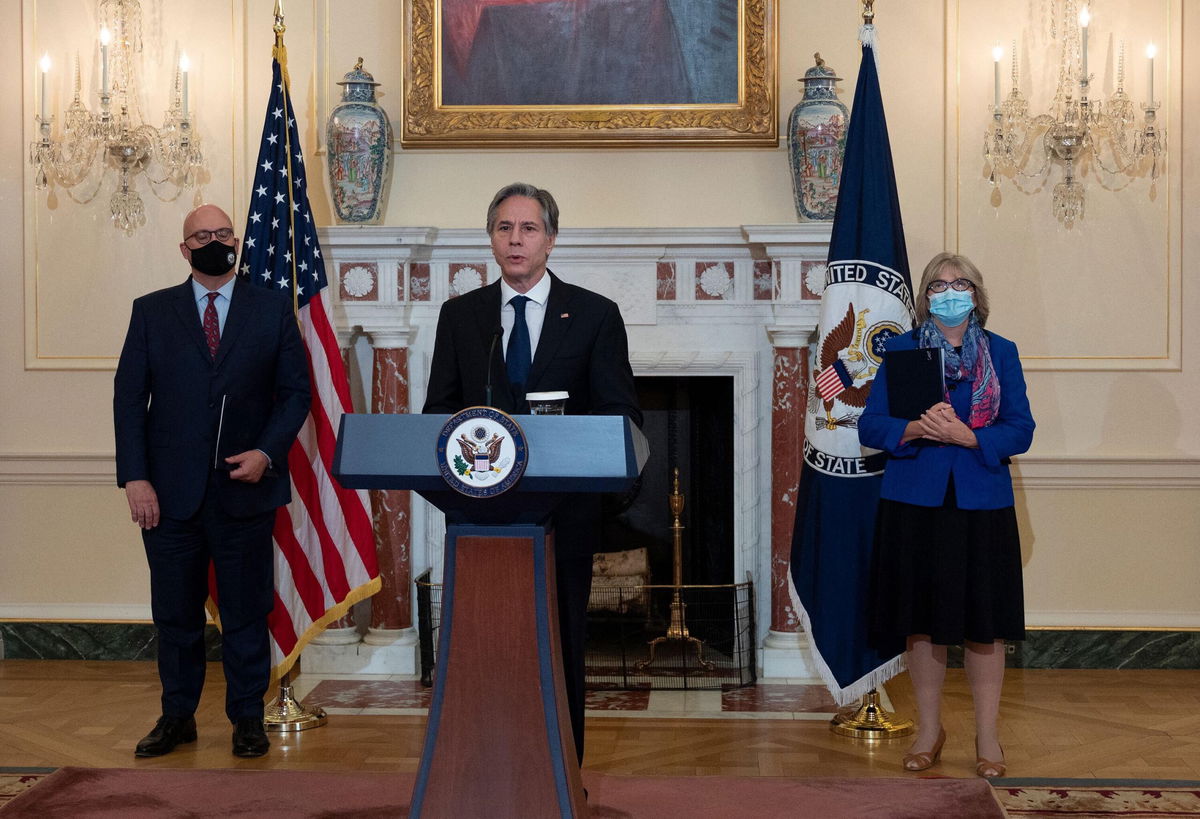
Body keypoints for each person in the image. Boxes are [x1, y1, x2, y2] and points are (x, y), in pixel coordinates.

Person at [423, 182, 642, 764]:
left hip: (563, 514)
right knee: (486, 642)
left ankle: (562, 770)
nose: (515, 239)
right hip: (480, 515)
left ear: (550, 239)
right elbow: (437, 415)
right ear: (491, 240)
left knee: (559, 642)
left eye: (528, 229)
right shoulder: (462, 317)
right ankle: (483, 766)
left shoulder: (595, 315)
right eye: (504, 228)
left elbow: (621, 415)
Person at [113, 204, 311, 759]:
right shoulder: (151, 312)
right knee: (175, 615)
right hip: (167, 498)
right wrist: (135, 478)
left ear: (237, 241)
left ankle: (247, 719)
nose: (215, 242)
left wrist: (267, 453)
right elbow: (129, 399)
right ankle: (177, 717)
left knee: (247, 612)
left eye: (224, 234)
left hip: (244, 489)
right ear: (185, 249)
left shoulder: (271, 310)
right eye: (203, 236)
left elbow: (295, 393)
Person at [859, 252, 1034, 779]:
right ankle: (930, 731)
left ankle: (987, 738)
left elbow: (1021, 429)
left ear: (976, 295)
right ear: (925, 295)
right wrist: (916, 429)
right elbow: (872, 428)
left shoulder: (1001, 353)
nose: (949, 292)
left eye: (960, 284)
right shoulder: (903, 350)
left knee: (985, 625)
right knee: (922, 623)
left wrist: (970, 436)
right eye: (938, 284)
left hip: (981, 502)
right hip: (915, 501)